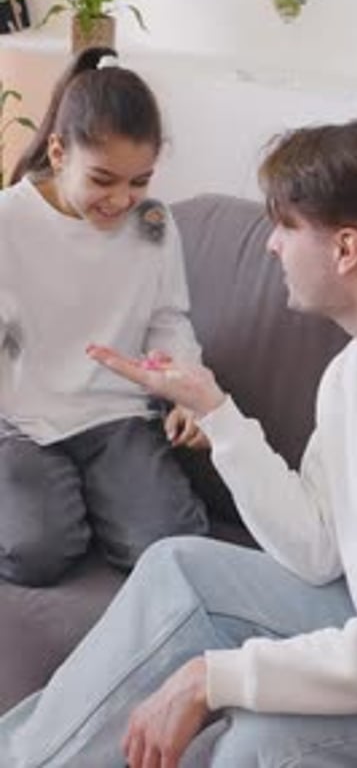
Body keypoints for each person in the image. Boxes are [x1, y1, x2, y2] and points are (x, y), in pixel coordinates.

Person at [1, 114, 357, 767]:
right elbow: (317, 549)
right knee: (179, 566)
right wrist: (216, 411)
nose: (270, 246)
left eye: (287, 227)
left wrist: (216, 675)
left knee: (266, 744)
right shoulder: (354, 369)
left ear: (346, 249)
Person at [0, 46, 212, 586]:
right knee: (36, 553)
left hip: (116, 416)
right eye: (103, 179)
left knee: (172, 549)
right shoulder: (8, 221)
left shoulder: (154, 224)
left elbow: (169, 320)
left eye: (140, 180)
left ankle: (97, 494)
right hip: (21, 421)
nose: (122, 199)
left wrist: (186, 387)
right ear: (58, 150)